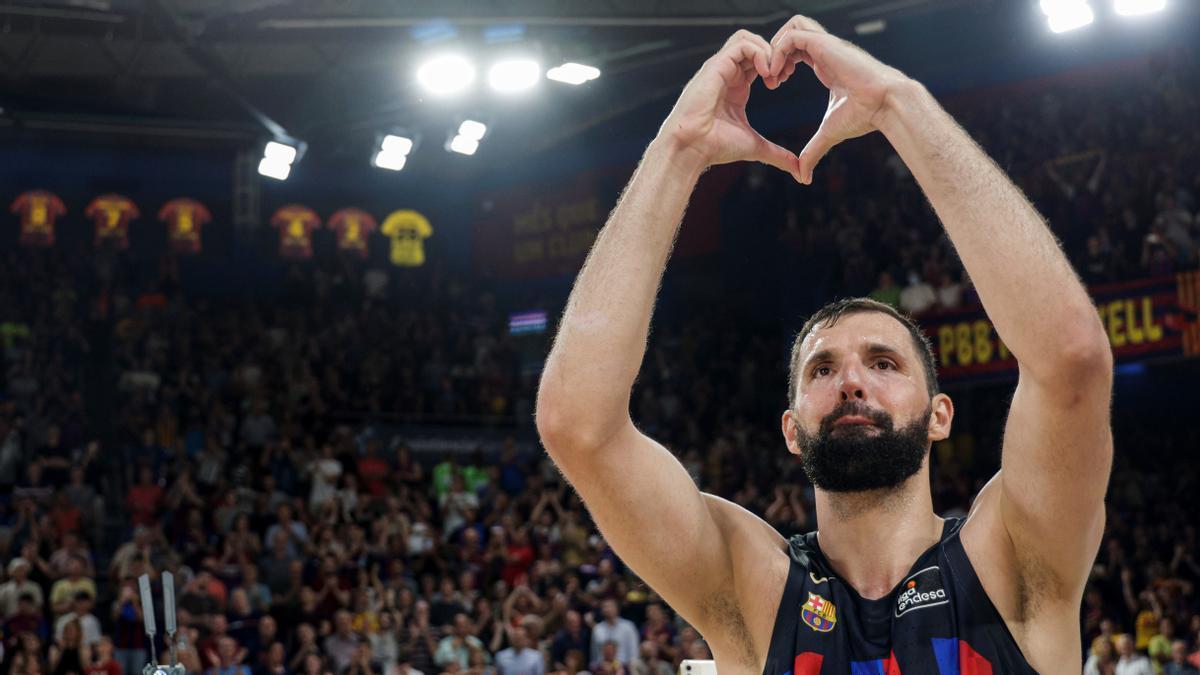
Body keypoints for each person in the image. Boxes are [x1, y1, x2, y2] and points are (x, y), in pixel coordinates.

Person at [536, 14, 1113, 674]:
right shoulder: (751, 587)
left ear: (940, 413)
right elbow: (576, 423)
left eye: (884, 362)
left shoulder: (1014, 560)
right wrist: (677, 148)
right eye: (821, 369)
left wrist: (900, 103)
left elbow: (1071, 358)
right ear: (791, 427)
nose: (852, 381)